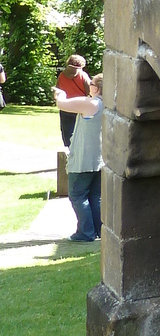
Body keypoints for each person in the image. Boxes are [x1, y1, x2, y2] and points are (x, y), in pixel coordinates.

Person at [54, 73, 103, 243]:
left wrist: (60, 93)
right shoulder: (109, 105)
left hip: (84, 160)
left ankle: (86, 232)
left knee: (77, 196)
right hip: (100, 159)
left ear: (96, 88)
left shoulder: (92, 103)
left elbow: (62, 104)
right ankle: (99, 230)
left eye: (91, 84)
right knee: (95, 197)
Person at [56, 55, 90, 147]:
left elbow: (57, 91)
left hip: (65, 107)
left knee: (66, 133)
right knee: (80, 133)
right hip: (79, 108)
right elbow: (89, 92)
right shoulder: (83, 76)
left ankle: (68, 152)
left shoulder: (62, 75)